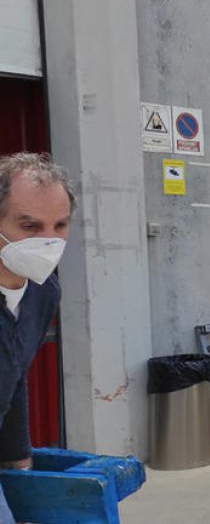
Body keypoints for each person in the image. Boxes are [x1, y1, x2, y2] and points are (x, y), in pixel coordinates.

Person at [0, 154, 74, 524]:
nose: (49, 241)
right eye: (30, 226)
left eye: (60, 225)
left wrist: (19, 461)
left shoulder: (42, 293)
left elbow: (13, 377)